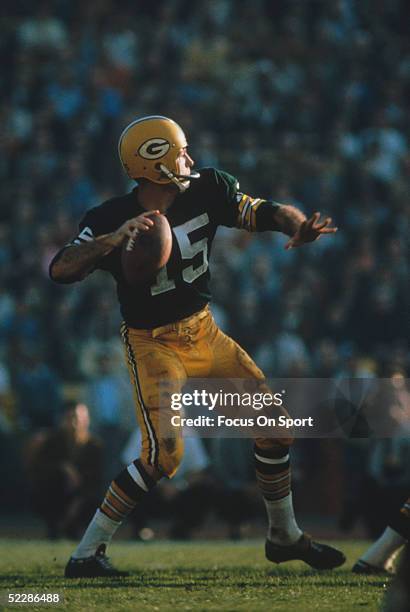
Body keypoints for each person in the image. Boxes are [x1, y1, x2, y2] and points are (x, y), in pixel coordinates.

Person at [49, 115, 344, 577]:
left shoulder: (208, 188)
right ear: (156, 162)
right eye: (179, 151)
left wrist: (296, 225)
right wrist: (112, 239)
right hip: (153, 343)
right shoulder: (108, 218)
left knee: (275, 429)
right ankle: (86, 554)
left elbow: (264, 210)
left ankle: (283, 536)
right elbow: (60, 269)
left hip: (204, 332)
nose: (189, 158)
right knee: (164, 456)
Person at [24, 401, 103, 539]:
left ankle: (76, 529)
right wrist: (64, 467)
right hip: (58, 495)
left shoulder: (95, 445)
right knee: (47, 485)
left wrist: (77, 503)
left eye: (77, 418)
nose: (74, 423)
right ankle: (54, 527)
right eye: (69, 418)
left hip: (83, 498)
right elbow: (39, 469)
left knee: (95, 499)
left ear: (87, 420)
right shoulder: (52, 441)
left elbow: (95, 479)